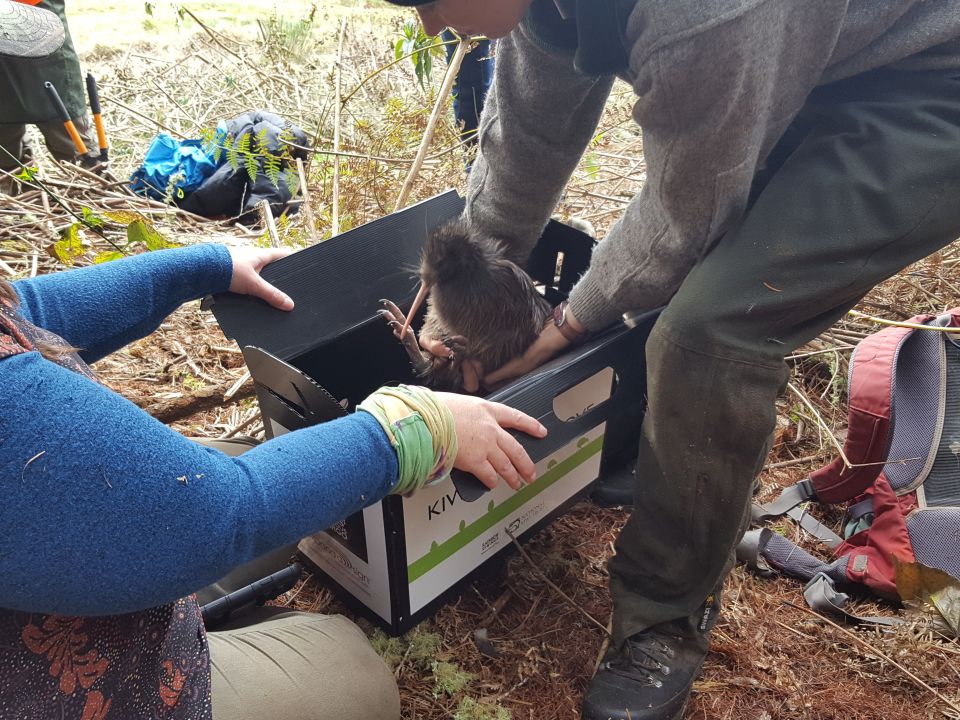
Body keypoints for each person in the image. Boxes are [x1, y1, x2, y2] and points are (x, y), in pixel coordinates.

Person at [385, 1, 960, 719]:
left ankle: (664, 615)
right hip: (803, 66)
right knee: (663, 277)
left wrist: (562, 326)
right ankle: (656, 454)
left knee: (710, 331)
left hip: (927, 82)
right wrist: (459, 286)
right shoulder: (537, 9)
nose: (430, 26)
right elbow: (525, 148)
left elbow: (685, 215)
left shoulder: (707, 11)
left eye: (427, 0)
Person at [0, 7, 549, 720]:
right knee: (349, 663)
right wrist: (408, 429)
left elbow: (25, 310)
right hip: (80, 689)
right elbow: (215, 517)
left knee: (250, 464)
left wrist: (200, 267)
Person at [0, 0, 98, 186]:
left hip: (39, 20)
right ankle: (21, 206)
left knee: (71, 139)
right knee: (6, 149)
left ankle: (91, 192)